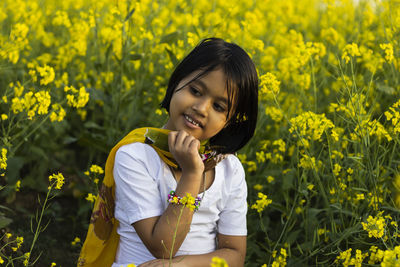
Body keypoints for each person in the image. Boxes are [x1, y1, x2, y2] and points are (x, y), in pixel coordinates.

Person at [78, 37, 258, 267]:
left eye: (219, 107)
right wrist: (193, 175)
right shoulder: (136, 156)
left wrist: (178, 265)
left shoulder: (229, 169)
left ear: (230, 120)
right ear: (176, 81)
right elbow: (163, 246)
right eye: (195, 90)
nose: (201, 108)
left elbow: (234, 255)